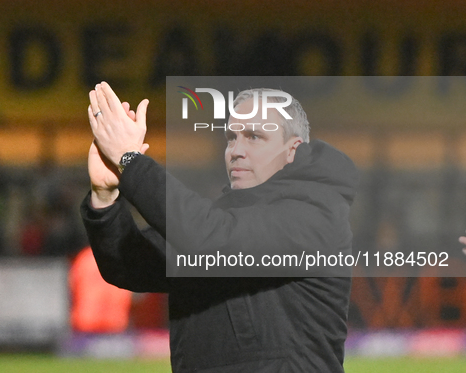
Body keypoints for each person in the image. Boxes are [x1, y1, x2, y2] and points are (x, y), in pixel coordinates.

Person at [81, 82, 359, 372]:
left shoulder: (316, 214)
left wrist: (130, 161)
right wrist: (105, 197)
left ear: (293, 151)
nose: (236, 150)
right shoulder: (219, 220)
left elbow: (210, 239)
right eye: (231, 138)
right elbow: (130, 267)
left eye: (254, 137)